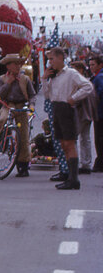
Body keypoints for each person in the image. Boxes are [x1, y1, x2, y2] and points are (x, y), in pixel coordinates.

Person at [42, 47, 94, 190]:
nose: (50, 62)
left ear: (60, 58)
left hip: (66, 108)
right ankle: (69, 175)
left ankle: (74, 179)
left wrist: (74, 98)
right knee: (63, 144)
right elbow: (46, 95)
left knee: (70, 144)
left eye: (52, 59)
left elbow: (87, 86)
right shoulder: (54, 76)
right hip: (56, 107)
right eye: (49, 60)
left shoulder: (70, 73)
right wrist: (45, 79)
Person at [0, 54, 36, 177]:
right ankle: (3, 140)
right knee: (4, 119)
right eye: (15, 64)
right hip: (8, 105)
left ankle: (23, 165)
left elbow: (32, 95)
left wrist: (31, 107)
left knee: (23, 135)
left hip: (21, 107)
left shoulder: (25, 79)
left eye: (19, 64)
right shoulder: (2, 79)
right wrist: (8, 83)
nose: (18, 66)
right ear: (8, 66)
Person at [70, 61, 96, 174]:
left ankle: (77, 163)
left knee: (74, 138)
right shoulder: (86, 81)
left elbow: (77, 99)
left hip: (81, 113)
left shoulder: (81, 82)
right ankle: (86, 163)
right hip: (88, 113)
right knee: (85, 138)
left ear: (80, 70)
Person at [88, 54, 103, 171]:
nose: (91, 67)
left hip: (100, 112)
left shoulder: (99, 77)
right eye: (90, 65)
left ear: (100, 65)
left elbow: (98, 93)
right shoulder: (97, 76)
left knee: (99, 137)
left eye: (93, 65)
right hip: (99, 111)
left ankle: (100, 162)